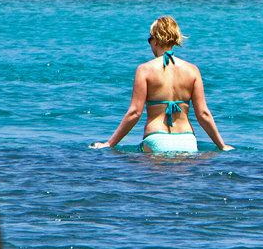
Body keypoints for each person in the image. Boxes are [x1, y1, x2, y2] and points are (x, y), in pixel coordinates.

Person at [91, 16, 234, 154]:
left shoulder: (145, 70)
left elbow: (135, 113)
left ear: (156, 41)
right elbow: (203, 114)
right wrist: (222, 145)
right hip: (187, 141)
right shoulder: (192, 70)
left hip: (156, 139)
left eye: (149, 40)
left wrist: (109, 144)